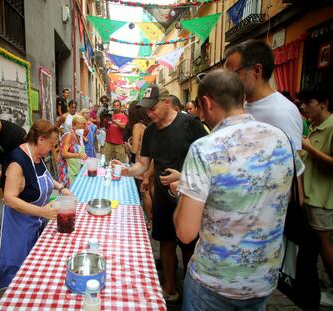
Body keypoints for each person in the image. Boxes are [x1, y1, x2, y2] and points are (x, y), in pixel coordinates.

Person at [173, 70, 304, 311]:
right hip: (262, 280)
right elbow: (297, 198)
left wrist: (183, 192)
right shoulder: (282, 139)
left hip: (214, 282)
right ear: (242, 99)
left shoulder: (205, 148)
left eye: (200, 109)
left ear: (207, 102)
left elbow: (185, 232)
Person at [117, 85, 207, 302]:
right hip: (162, 197)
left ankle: (189, 286)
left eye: (153, 108)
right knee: (165, 242)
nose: (149, 113)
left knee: (189, 245)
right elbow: (142, 165)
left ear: (167, 102)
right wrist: (124, 171)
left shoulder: (190, 124)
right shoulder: (150, 131)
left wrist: (182, 176)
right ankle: (169, 287)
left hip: (189, 196)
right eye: (146, 110)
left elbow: (209, 162)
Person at [0, 120, 72, 292]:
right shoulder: (17, 162)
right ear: (41, 140)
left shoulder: (37, 155)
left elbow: (45, 177)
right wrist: (42, 211)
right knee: (20, 271)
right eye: (51, 144)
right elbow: (9, 198)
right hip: (19, 226)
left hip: (35, 221)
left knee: (35, 267)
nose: (52, 148)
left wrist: (61, 188)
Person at [224, 39, 303, 150]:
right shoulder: (240, 106)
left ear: (257, 70)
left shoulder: (283, 113)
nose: (228, 80)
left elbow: (291, 163)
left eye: (233, 74)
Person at [298, 89, 333, 306]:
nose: (303, 107)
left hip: (323, 199)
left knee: (325, 245)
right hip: (311, 197)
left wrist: (309, 149)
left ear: (323, 103)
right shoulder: (313, 127)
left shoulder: (331, 127)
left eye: (308, 102)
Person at [126, 102, 153, 228]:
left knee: (144, 192)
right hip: (151, 162)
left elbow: (135, 150)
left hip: (142, 163)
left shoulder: (137, 126)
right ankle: (150, 217)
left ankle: (147, 220)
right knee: (149, 190)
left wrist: (128, 146)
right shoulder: (148, 125)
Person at [58, 115, 88, 187]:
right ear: (73, 125)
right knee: (70, 191)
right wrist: (79, 155)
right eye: (80, 127)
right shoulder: (69, 135)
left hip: (75, 168)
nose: (82, 130)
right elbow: (64, 153)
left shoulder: (78, 135)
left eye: (83, 128)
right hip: (67, 170)